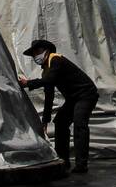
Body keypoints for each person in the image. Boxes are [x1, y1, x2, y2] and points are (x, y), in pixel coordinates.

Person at [17, 39, 99, 173]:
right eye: (33, 54)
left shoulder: (56, 60)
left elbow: (49, 81)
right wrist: (45, 120)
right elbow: (49, 96)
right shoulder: (46, 70)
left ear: (46, 50)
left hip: (86, 94)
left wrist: (28, 83)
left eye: (37, 52)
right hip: (73, 98)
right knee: (60, 122)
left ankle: (81, 164)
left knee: (80, 124)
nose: (35, 56)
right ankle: (63, 161)